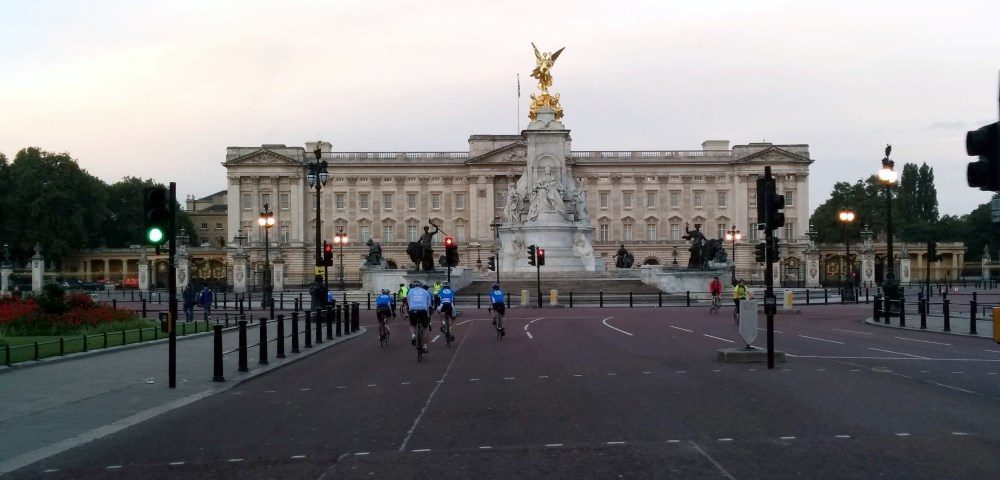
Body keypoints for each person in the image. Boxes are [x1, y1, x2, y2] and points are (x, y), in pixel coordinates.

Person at [407, 281, 433, 353]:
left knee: (412, 325)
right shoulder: (425, 292)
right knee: (425, 328)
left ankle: (413, 336)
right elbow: (429, 304)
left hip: (413, 310)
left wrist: (410, 309)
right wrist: (427, 312)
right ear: (421, 286)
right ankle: (425, 346)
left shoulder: (410, 291)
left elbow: (408, 302)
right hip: (422, 310)